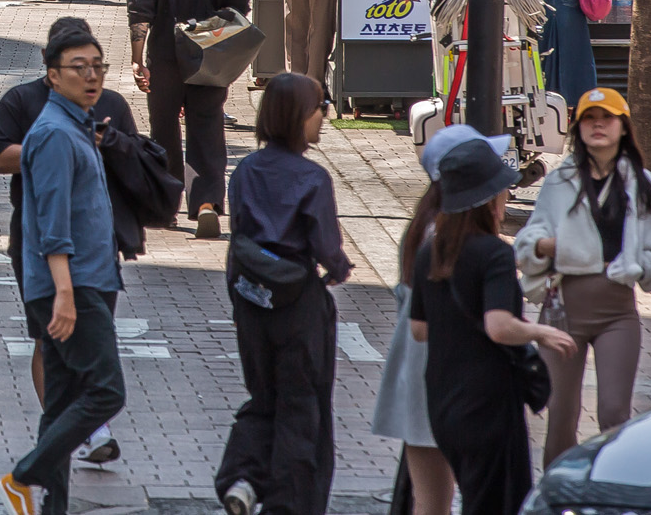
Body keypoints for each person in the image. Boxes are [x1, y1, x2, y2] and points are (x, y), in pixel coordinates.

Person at [409, 138, 577, 515]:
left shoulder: (428, 253)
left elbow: (419, 329)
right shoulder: (495, 254)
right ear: (488, 200)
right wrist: (541, 332)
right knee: (497, 503)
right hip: (489, 405)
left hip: (442, 403)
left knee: (472, 493)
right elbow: (499, 327)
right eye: (502, 190)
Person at [0, 21, 127, 515]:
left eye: (98, 66)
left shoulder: (77, 124)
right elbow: (51, 222)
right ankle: (24, 476)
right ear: (53, 76)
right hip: (74, 284)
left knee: (59, 403)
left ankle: (50, 505)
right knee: (105, 390)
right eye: (79, 68)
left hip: (82, 279)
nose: (91, 76)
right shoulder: (54, 133)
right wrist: (65, 294)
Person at [215, 73, 351, 515]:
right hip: (299, 304)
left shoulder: (246, 170)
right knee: (301, 403)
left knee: (263, 394)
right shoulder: (312, 178)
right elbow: (328, 248)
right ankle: (288, 502)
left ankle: (241, 476)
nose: (324, 118)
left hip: (251, 298)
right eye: (320, 109)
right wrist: (339, 269)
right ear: (299, 117)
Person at [513, 87, 651, 464]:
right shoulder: (560, 180)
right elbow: (528, 241)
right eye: (588, 118)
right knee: (561, 417)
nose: (598, 124)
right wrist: (550, 247)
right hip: (564, 308)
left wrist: (637, 267)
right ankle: (558, 498)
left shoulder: (642, 183)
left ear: (623, 126)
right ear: (577, 127)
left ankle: (610, 496)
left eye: (607, 117)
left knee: (615, 414)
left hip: (618, 309)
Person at [373, 127, 493, 515]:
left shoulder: (423, 229)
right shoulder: (451, 238)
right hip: (450, 380)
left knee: (429, 500)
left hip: (417, 378)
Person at [127, 0, 251, 239]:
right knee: (207, 128)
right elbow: (239, 8)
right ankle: (207, 202)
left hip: (164, 57)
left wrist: (138, 60)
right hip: (210, 56)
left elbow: (139, 13)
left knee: (163, 129)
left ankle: (166, 206)